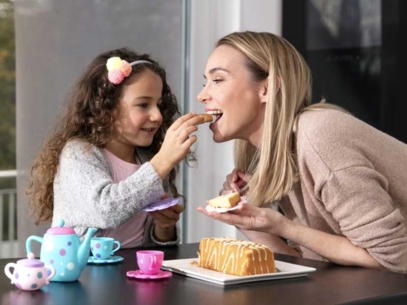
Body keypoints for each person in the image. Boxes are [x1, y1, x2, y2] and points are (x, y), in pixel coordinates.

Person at [197, 31, 407, 273]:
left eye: (218, 80)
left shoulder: (320, 136)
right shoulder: (276, 152)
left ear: (266, 89)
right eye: (206, 82)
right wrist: (248, 220)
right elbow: (308, 264)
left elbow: (394, 259)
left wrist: (285, 227)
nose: (202, 95)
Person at [26, 47, 205, 248]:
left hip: (132, 274)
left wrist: (164, 227)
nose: (157, 116)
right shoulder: (78, 154)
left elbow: (156, 247)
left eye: (159, 104)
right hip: (84, 275)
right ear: (107, 107)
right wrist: (163, 160)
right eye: (143, 105)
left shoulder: (147, 160)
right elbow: (107, 210)